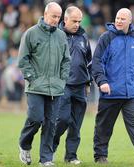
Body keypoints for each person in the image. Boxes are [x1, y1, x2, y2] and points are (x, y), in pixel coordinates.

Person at [92, 8, 134, 165]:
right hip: (111, 91)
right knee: (104, 126)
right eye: (117, 18)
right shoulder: (106, 38)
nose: (119, 21)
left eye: (123, 19)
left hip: (133, 93)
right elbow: (97, 62)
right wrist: (102, 82)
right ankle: (100, 156)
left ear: (130, 21)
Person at [18, 2, 70, 166]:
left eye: (59, 17)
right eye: (54, 16)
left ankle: (46, 159)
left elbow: (66, 61)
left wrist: (62, 79)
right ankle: (24, 145)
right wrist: (31, 78)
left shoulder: (61, 36)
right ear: (45, 14)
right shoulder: (31, 33)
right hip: (35, 87)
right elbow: (23, 60)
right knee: (35, 118)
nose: (56, 20)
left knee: (50, 124)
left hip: (56, 88)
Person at [52, 6, 92, 165]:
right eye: (74, 21)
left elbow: (89, 61)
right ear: (65, 19)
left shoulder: (83, 37)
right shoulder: (56, 35)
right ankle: (51, 148)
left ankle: (71, 156)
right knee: (62, 119)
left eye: (79, 21)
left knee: (76, 124)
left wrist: (88, 82)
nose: (77, 24)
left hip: (80, 86)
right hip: (63, 85)